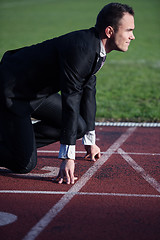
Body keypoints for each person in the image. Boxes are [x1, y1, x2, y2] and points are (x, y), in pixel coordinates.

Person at [0, 3, 135, 184]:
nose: (132, 37)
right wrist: (68, 158)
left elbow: (88, 91)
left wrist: (89, 139)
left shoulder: (95, 48)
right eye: (128, 30)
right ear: (110, 32)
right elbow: (71, 100)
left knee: (80, 127)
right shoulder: (82, 50)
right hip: (11, 93)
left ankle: (13, 139)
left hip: (36, 94)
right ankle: (16, 144)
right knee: (24, 163)